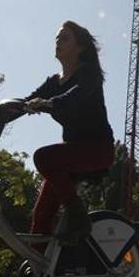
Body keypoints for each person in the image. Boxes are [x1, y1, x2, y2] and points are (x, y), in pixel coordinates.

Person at [23, 20, 114, 249]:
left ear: (80, 47)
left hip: (97, 150)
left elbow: (76, 95)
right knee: (42, 213)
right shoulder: (53, 82)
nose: (58, 41)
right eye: (57, 37)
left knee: (43, 157)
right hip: (70, 157)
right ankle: (38, 274)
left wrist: (49, 104)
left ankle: (77, 215)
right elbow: (25, 102)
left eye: (65, 37)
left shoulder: (89, 74)